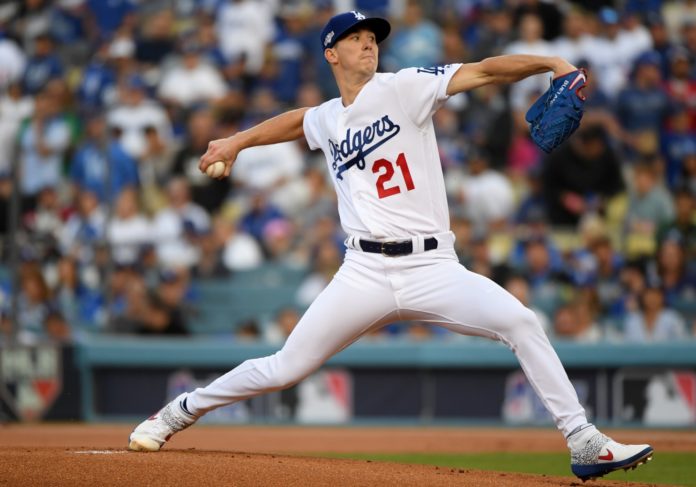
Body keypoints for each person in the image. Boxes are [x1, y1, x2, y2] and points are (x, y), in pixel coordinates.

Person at [128, 11, 653, 481]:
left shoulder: (404, 87)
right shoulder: (330, 117)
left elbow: (486, 69)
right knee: (285, 367)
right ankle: (179, 411)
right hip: (363, 273)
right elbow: (297, 120)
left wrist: (550, 61)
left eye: (372, 36)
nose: (368, 44)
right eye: (354, 38)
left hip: (433, 265)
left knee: (521, 322)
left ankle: (583, 440)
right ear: (331, 53)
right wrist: (236, 141)